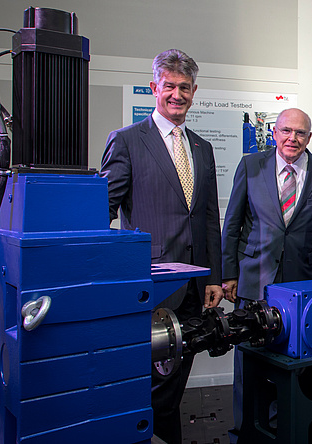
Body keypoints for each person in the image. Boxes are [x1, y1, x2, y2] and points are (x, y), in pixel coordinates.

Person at [100, 49, 224, 444]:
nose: (177, 94)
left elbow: (207, 219)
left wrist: (214, 278)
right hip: (150, 290)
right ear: (155, 88)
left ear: (194, 91)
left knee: (172, 391)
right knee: (148, 389)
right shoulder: (127, 141)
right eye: (169, 86)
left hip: (193, 290)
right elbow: (103, 211)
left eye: (184, 87)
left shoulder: (203, 149)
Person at [220, 107, 312, 439]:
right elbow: (232, 226)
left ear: (309, 137)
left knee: (306, 366)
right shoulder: (251, 166)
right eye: (286, 131)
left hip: (304, 288)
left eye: (300, 133)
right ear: (274, 133)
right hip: (255, 281)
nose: (292, 139)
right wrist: (230, 274)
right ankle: (247, 433)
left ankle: (302, 432)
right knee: (250, 366)